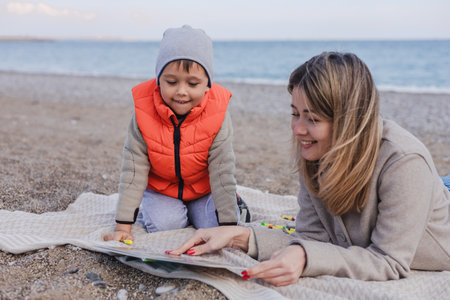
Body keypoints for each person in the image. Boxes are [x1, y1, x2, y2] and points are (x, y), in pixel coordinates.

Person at [167, 52, 450, 286]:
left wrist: (304, 257)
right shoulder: (315, 151)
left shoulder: (404, 162)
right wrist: (239, 237)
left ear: (349, 121)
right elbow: (313, 238)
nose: (298, 129)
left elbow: (388, 260)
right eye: (294, 113)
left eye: (312, 118)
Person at [105, 25, 249, 243]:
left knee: (215, 226)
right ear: (158, 80)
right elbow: (133, 171)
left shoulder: (218, 116)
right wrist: (123, 226)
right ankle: (171, 210)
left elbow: (222, 171)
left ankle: (233, 205)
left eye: (192, 83)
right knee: (166, 225)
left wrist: (228, 225)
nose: (181, 91)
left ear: (208, 85)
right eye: (171, 82)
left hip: (203, 190)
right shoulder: (143, 115)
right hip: (162, 189)